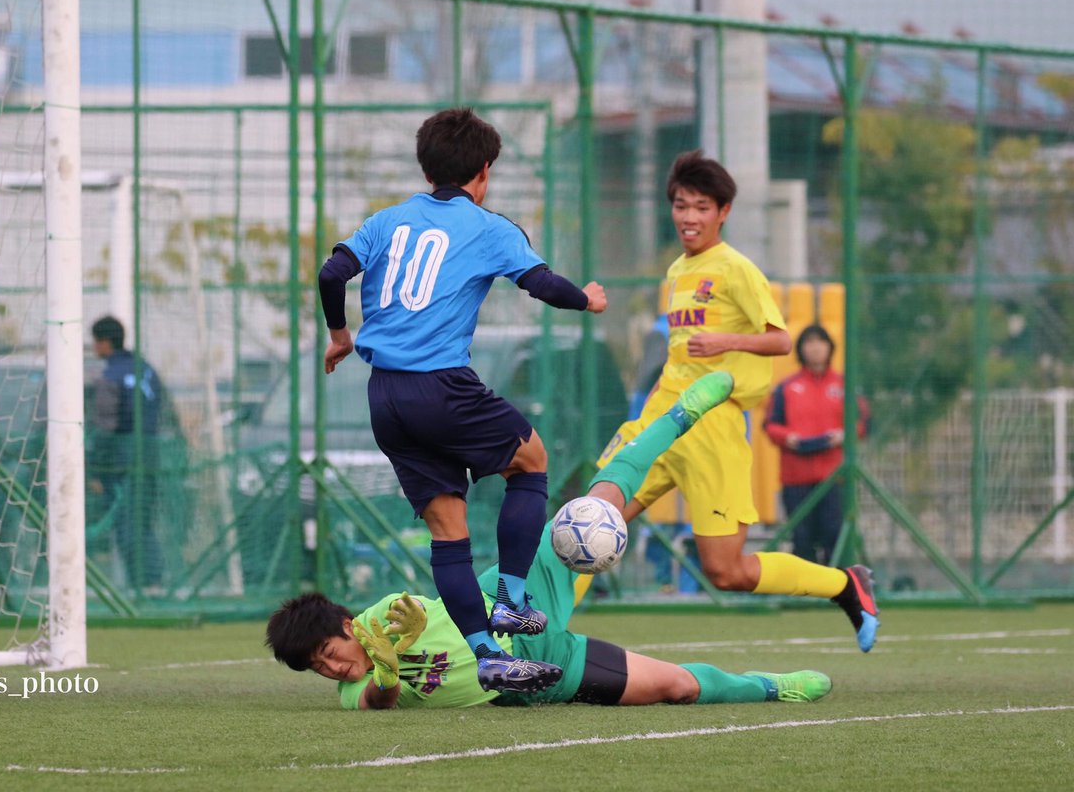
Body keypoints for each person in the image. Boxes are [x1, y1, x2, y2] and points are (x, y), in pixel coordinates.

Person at [266, 372, 832, 710]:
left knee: (595, 506)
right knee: (678, 688)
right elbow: (376, 703)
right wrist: (385, 674)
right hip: (538, 672)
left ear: (345, 629)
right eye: (319, 669)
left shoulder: (384, 617)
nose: (334, 669)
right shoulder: (359, 684)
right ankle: (766, 685)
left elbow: (408, 613)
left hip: (511, 603)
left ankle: (679, 415)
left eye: (328, 654)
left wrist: (397, 642)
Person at [317, 107, 608, 693]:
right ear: (484, 169)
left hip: (386, 399)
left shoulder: (386, 221)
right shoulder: (488, 226)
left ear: (427, 168)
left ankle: (488, 655)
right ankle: (513, 600)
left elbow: (330, 274)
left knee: (448, 529)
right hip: (442, 385)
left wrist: (340, 335)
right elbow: (543, 285)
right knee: (532, 461)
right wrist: (588, 301)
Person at [596, 150, 880, 652]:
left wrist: (726, 342)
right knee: (591, 519)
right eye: (681, 205)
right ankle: (526, 640)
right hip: (662, 419)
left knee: (726, 571)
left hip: (714, 429)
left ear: (723, 211)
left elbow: (780, 339)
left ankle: (844, 584)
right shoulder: (675, 271)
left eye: (701, 207)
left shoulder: (737, 269)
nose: (689, 217)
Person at [764, 324, 869, 565]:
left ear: (830, 347)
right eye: (808, 343)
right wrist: (789, 438)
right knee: (802, 538)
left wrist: (844, 435)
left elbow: (863, 423)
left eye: (820, 342)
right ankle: (807, 592)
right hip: (796, 478)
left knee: (835, 534)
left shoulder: (845, 385)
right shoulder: (787, 387)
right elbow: (770, 425)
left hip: (835, 476)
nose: (815, 348)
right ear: (800, 349)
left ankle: (839, 589)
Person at [88, 315, 165, 594]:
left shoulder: (110, 375)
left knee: (126, 522)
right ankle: (153, 581)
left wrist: (96, 470)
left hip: (121, 460)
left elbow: (105, 425)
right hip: (150, 455)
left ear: (104, 342)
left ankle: (144, 585)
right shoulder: (146, 369)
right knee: (142, 520)